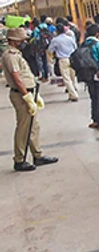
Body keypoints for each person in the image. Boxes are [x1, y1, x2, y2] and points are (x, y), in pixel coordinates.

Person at [2, 27, 58, 171]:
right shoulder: (10, 56)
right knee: (24, 128)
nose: (23, 42)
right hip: (21, 95)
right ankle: (19, 159)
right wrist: (26, 96)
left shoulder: (16, 53)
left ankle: (37, 154)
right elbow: (17, 78)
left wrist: (33, 95)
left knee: (33, 127)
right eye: (21, 40)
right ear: (13, 40)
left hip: (28, 92)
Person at [84, 24, 99, 130]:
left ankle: (95, 118)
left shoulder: (84, 44)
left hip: (88, 75)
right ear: (97, 33)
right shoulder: (98, 45)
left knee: (93, 96)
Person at [47, 24, 79, 102]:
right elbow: (75, 47)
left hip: (63, 59)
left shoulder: (55, 40)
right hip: (72, 58)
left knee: (66, 78)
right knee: (72, 75)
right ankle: (73, 89)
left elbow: (50, 50)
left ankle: (73, 94)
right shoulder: (70, 38)